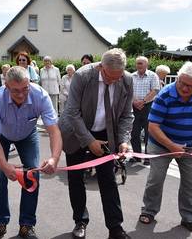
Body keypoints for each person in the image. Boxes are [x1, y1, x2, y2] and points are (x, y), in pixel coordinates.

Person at [139, 61, 192, 234]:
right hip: (161, 144)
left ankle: (189, 218)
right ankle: (149, 211)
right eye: (182, 83)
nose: (185, 89)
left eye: (190, 86)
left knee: (190, 183)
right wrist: (171, 146)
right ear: (178, 78)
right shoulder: (165, 94)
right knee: (156, 179)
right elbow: (153, 126)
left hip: (191, 145)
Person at [59, 48, 133, 239]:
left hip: (105, 132)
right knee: (76, 179)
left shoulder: (126, 79)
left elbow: (126, 115)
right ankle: (80, 221)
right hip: (77, 132)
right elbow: (72, 113)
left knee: (108, 179)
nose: (114, 81)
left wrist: (124, 141)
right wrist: (89, 141)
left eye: (118, 77)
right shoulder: (82, 76)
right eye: (110, 77)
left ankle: (115, 227)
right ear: (101, 67)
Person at [0, 66, 62, 239]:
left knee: (32, 173)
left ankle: (27, 225)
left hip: (28, 135)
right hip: (1, 137)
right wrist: (5, 166)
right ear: (6, 86)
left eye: (25, 89)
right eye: (15, 91)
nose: (21, 95)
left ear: (30, 83)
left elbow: (54, 131)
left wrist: (54, 158)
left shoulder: (41, 95)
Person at [130, 56, 160, 165]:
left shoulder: (153, 75)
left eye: (141, 63)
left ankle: (147, 157)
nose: (138, 65)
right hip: (134, 107)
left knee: (149, 133)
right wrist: (134, 102)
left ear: (146, 65)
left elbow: (155, 90)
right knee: (134, 132)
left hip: (148, 106)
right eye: (137, 63)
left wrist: (143, 101)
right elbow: (128, 91)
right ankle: (136, 156)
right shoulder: (131, 76)